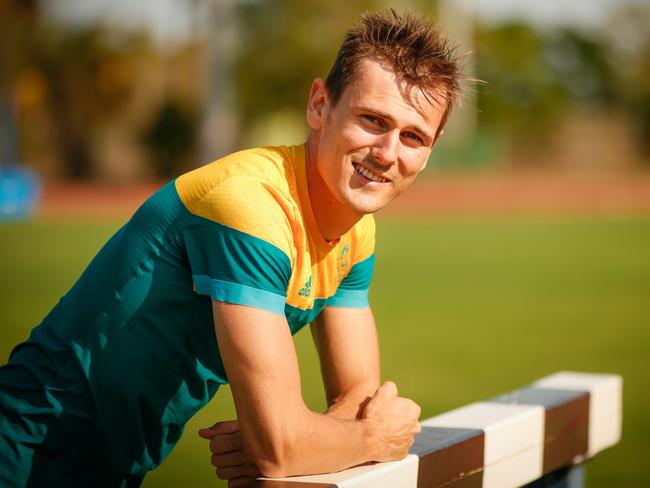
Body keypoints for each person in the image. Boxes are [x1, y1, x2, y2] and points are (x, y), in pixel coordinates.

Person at [0, 9, 462, 488]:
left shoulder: (356, 231)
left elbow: (359, 396)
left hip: (108, 470)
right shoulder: (250, 207)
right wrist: (358, 439)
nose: (388, 153)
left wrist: (308, 438)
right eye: (372, 120)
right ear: (320, 105)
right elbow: (283, 450)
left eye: (412, 137)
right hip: (24, 455)